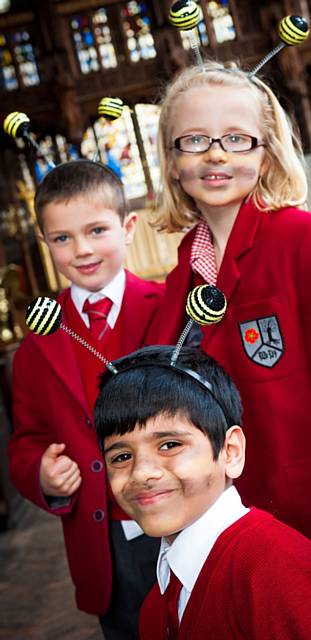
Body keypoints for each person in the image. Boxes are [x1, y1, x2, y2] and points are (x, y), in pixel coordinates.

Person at [149, 60, 311, 539]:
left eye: (237, 138)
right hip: (226, 519)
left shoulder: (298, 240)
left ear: (267, 153)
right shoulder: (184, 271)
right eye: (195, 139)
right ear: (172, 161)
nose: (216, 155)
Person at [8, 160, 164, 639]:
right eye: (62, 238)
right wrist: (40, 473)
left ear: (128, 226)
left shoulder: (167, 309)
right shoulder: (38, 344)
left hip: (178, 518)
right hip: (103, 543)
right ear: (45, 243)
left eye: (97, 230)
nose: (82, 250)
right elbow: (27, 439)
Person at [94, 344, 311, 640]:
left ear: (230, 452)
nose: (141, 473)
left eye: (170, 445)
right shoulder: (156, 607)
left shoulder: (278, 573)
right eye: (121, 457)